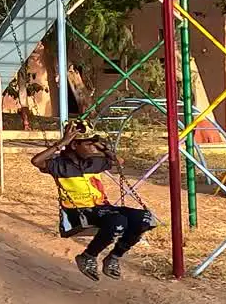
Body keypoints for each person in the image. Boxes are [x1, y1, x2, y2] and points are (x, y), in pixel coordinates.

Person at [31, 120, 154, 282]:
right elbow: (36, 161)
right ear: (74, 145)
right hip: (79, 213)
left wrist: (103, 147)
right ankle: (88, 256)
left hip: (103, 209)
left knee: (145, 218)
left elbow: (119, 162)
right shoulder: (59, 165)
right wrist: (61, 143)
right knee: (118, 221)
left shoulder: (93, 161)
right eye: (89, 144)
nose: (93, 148)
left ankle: (114, 257)